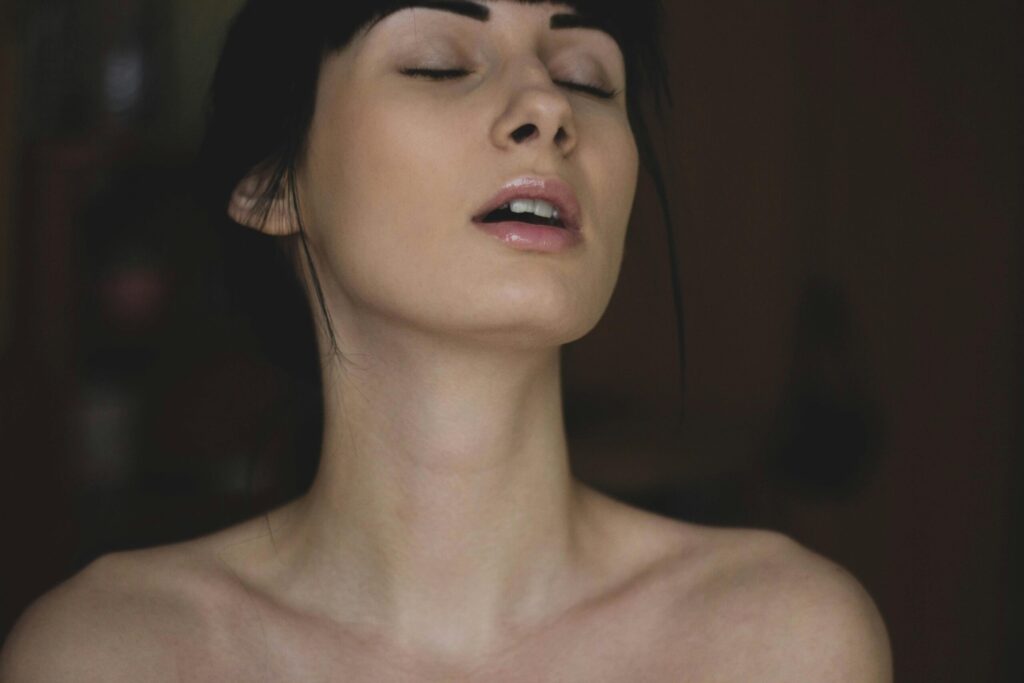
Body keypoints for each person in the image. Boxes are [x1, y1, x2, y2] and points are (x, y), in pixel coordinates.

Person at [0, 1, 892, 679]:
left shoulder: (784, 643)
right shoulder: (104, 655)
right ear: (273, 183)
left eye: (587, 76)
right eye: (437, 63)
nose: (546, 105)